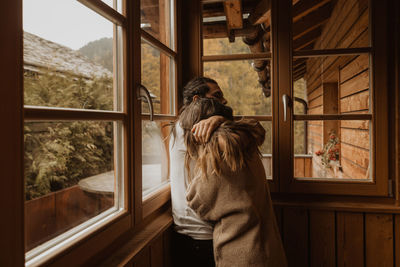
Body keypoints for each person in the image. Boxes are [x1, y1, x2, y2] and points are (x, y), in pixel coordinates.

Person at [169, 77, 267, 267]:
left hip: (197, 231)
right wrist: (220, 120)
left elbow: (256, 130)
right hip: (201, 234)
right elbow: (252, 134)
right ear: (197, 100)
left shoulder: (184, 127)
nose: (224, 101)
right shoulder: (192, 131)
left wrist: (219, 118)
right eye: (217, 96)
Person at [181, 98, 287, 267]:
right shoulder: (245, 144)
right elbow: (255, 127)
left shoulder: (216, 161)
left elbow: (197, 202)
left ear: (198, 133)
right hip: (268, 248)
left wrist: (201, 163)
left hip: (241, 256)